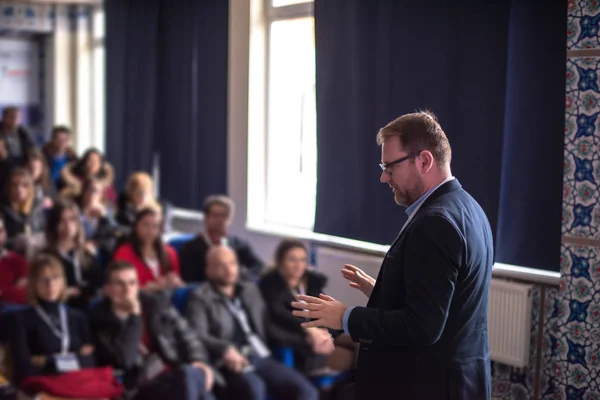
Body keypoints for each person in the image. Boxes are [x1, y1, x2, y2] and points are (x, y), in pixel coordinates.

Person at [291, 111, 494, 400]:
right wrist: (381, 291)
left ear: (424, 161)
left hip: (428, 385)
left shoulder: (435, 222)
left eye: (390, 166)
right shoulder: (468, 208)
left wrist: (346, 317)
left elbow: (423, 329)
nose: (384, 176)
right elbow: (444, 303)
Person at [186, 246, 319, 400]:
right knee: (255, 390)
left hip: (260, 356)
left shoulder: (250, 290)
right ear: (208, 270)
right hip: (229, 362)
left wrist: (304, 336)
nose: (229, 269)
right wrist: (224, 348)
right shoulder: (200, 298)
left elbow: (267, 325)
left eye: (232, 264)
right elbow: (197, 334)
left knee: (307, 392)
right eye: (221, 265)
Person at [91, 261, 218, 400]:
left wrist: (198, 360)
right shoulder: (99, 320)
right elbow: (124, 361)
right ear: (107, 289)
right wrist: (134, 316)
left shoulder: (156, 305)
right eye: (120, 284)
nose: (127, 290)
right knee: (190, 380)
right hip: (138, 387)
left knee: (193, 376)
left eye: (132, 283)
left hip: (173, 374)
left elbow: (188, 336)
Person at [259, 239, 356, 374]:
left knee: (363, 345)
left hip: (325, 333)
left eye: (302, 260)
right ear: (280, 261)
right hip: (302, 345)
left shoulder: (311, 283)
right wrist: (309, 331)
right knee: (354, 358)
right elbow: (279, 320)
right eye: (292, 260)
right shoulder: (271, 287)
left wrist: (325, 333)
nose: (299, 265)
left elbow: (324, 311)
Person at [179, 195, 263, 283]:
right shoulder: (190, 249)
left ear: (230, 219)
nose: (219, 220)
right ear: (206, 218)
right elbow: (189, 280)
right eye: (215, 215)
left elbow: (259, 267)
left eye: (224, 216)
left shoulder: (239, 245)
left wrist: (241, 275)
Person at [42, 200, 102, 310]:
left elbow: (97, 282)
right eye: (62, 221)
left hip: (87, 305)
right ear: (54, 225)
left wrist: (84, 291)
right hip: (61, 305)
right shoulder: (47, 256)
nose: (68, 225)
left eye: (72, 220)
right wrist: (67, 291)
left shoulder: (87, 252)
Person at [113, 207, 182, 291]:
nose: (150, 231)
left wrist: (175, 283)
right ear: (136, 226)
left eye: (155, 226)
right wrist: (151, 288)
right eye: (145, 225)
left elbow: (178, 283)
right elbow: (119, 287)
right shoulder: (124, 252)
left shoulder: (170, 253)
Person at [41, 125, 78, 190]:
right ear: (52, 140)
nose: (62, 143)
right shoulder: (43, 158)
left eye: (65, 140)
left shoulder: (73, 160)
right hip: (47, 190)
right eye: (59, 139)